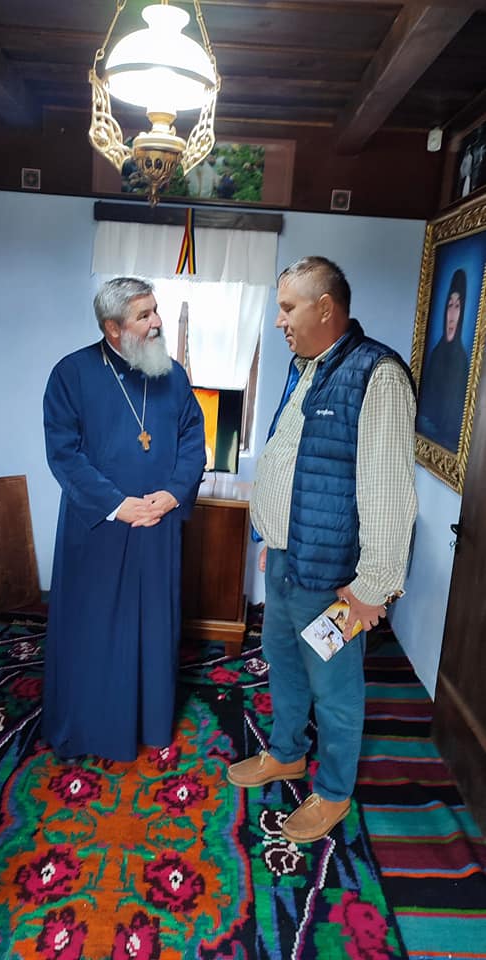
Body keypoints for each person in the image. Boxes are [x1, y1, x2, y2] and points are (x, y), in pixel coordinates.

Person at [227, 256, 417, 843]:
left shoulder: (377, 375)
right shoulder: (305, 367)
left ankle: (333, 791)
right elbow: (294, 458)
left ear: (325, 307)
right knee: (283, 664)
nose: (279, 320)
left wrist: (373, 586)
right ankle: (286, 755)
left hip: (332, 575)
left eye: (288, 308)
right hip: (288, 558)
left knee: (334, 689)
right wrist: (273, 535)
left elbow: (388, 489)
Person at [42, 277, 206, 763]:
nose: (157, 322)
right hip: (99, 529)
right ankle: (93, 729)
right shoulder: (71, 374)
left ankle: (149, 723)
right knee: (95, 632)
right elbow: (64, 454)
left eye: (156, 310)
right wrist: (116, 505)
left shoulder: (173, 375)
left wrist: (173, 495)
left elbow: (194, 439)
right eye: (144, 315)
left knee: (153, 628)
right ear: (113, 328)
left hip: (158, 526)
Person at [417, 268, 469, 453]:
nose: (452, 317)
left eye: (458, 306)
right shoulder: (435, 354)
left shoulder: (463, 363)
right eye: (449, 305)